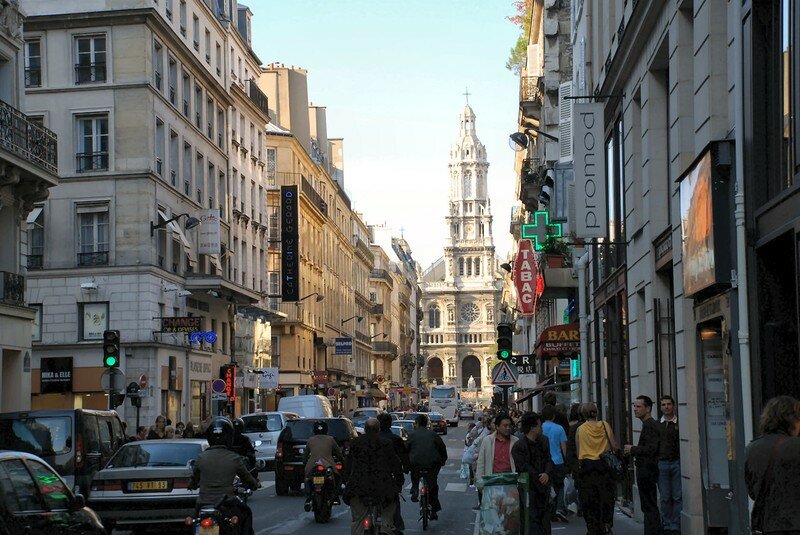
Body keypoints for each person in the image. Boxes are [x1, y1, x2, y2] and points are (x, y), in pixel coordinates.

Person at [188, 416, 260, 535]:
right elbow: (247, 478)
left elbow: (194, 479)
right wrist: (254, 484)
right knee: (246, 513)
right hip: (227, 502)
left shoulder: (201, 457)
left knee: (193, 522)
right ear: (229, 437)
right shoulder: (234, 458)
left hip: (203, 503)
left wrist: (192, 485)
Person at [745, 395, 800, 535]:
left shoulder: (752, 448)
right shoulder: (796, 446)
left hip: (766, 526)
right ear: (791, 419)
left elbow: (751, 491)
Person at [343, 418, 403, 534]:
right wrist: (399, 482)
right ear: (378, 429)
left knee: (358, 520)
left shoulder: (355, 443)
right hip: (383, 488)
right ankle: (385, 528)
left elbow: (348, 465)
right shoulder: (386, 443)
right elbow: (395, 465)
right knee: (388, 512)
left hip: (358, 488)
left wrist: (347, 481)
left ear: (365, 429)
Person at [575, 403, 619, 535]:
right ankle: (605, 524)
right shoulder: (605, 425)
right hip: (604, 467)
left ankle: (592, 528)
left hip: (587, 468)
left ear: (583, 414)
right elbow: (614, 446)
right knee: (605, 497)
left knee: (590, 501)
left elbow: (578, 452)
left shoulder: (580, 429)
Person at [511, 412, 553, 535]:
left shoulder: (544, 440)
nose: (541, 428)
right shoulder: (519, 446)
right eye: (539, 425)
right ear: (532, 427)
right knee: (530, 518)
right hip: (528, 488)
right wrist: (539, 476)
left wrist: (546, 473)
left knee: (544, 519)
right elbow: (523, 466)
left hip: (543, 487)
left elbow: (548, 459)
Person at [624, 395, 661, 535]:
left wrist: (632, 449)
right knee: (648, 505)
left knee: (649, 505)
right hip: (646, 469)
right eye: (634, 406)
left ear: (648, 408)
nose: (635, 409)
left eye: (638, 406)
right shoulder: (648, 424)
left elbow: (652, 448)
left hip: (647, 470)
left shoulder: (650, 425)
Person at [407, 413, 448, 519]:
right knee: (433, 486)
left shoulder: (412, 435)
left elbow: (405, 450)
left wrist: (406, 465)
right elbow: (442, 449)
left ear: (416, 424)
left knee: (415, 475)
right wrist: (442, 461)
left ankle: (415, 488)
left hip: (416, 465)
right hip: (432, 465)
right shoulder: (433, 434)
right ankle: (434, 509)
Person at [475, 414, 518, 512]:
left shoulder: (516, 441)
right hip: (492, 482)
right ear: (497, 427)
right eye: (505, 425)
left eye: (509, 425)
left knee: (510, 514)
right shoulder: (488, 441)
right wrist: (480, 483)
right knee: (492, 514)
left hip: (510, 483)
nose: (508, 428)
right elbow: (481, 462)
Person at [378, 413, 409, 534]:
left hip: (370, 479)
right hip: (389, 477)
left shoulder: (371, 440)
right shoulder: (395, 439)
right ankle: (397, 525)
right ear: (391, 424)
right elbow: (402, 458)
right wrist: (405, 470)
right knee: (394, 501)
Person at [303, 420, 343, 510]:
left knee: (307, 479)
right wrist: (341, 459)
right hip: (328, 464)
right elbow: (338, 453)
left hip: (312, 465)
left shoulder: (310, 440)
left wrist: (305, 462)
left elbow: (305, 455)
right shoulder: (330, 439)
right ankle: (335, 496)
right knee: (338, 477)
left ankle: (308, 497)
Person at [658, 395, 681, 535]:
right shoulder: (657, 424)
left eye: (669, 404)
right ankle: (667, 524)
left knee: (677, 496)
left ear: (673, 406)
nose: (666, 407)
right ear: (660, 407)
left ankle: (675, 525)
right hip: (662, 463)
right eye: (664, 405)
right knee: (665, 496)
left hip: (676, 462)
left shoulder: (679, 423)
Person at [541, 405, 569, 523]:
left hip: (544, 462)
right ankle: (559, 508)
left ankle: (549, 509)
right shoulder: (559, 428)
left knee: (547, 486)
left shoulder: (540, 428)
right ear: (553, 416)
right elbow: (564, 447)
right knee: (560, 485)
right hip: (558, 461)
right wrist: (566, 461)